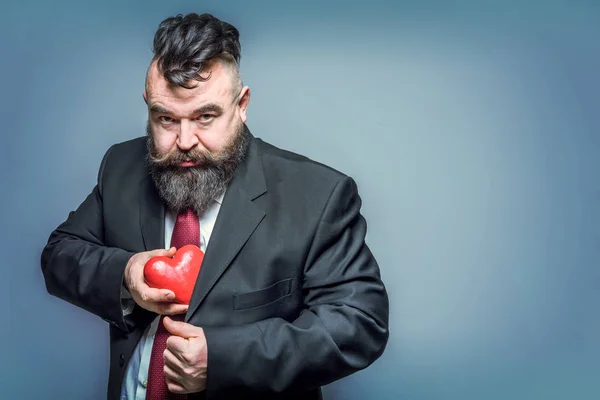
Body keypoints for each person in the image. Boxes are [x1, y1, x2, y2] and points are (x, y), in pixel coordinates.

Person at [41, 12, 389, 400]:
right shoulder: (120, 167)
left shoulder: (319, 194)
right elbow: (59, 255)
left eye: (205, 116)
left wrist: (223, 359)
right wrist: (126, 276)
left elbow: (359, 323)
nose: (185, 140)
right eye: (166, 118)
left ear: (242, 105)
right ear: (148, 106)